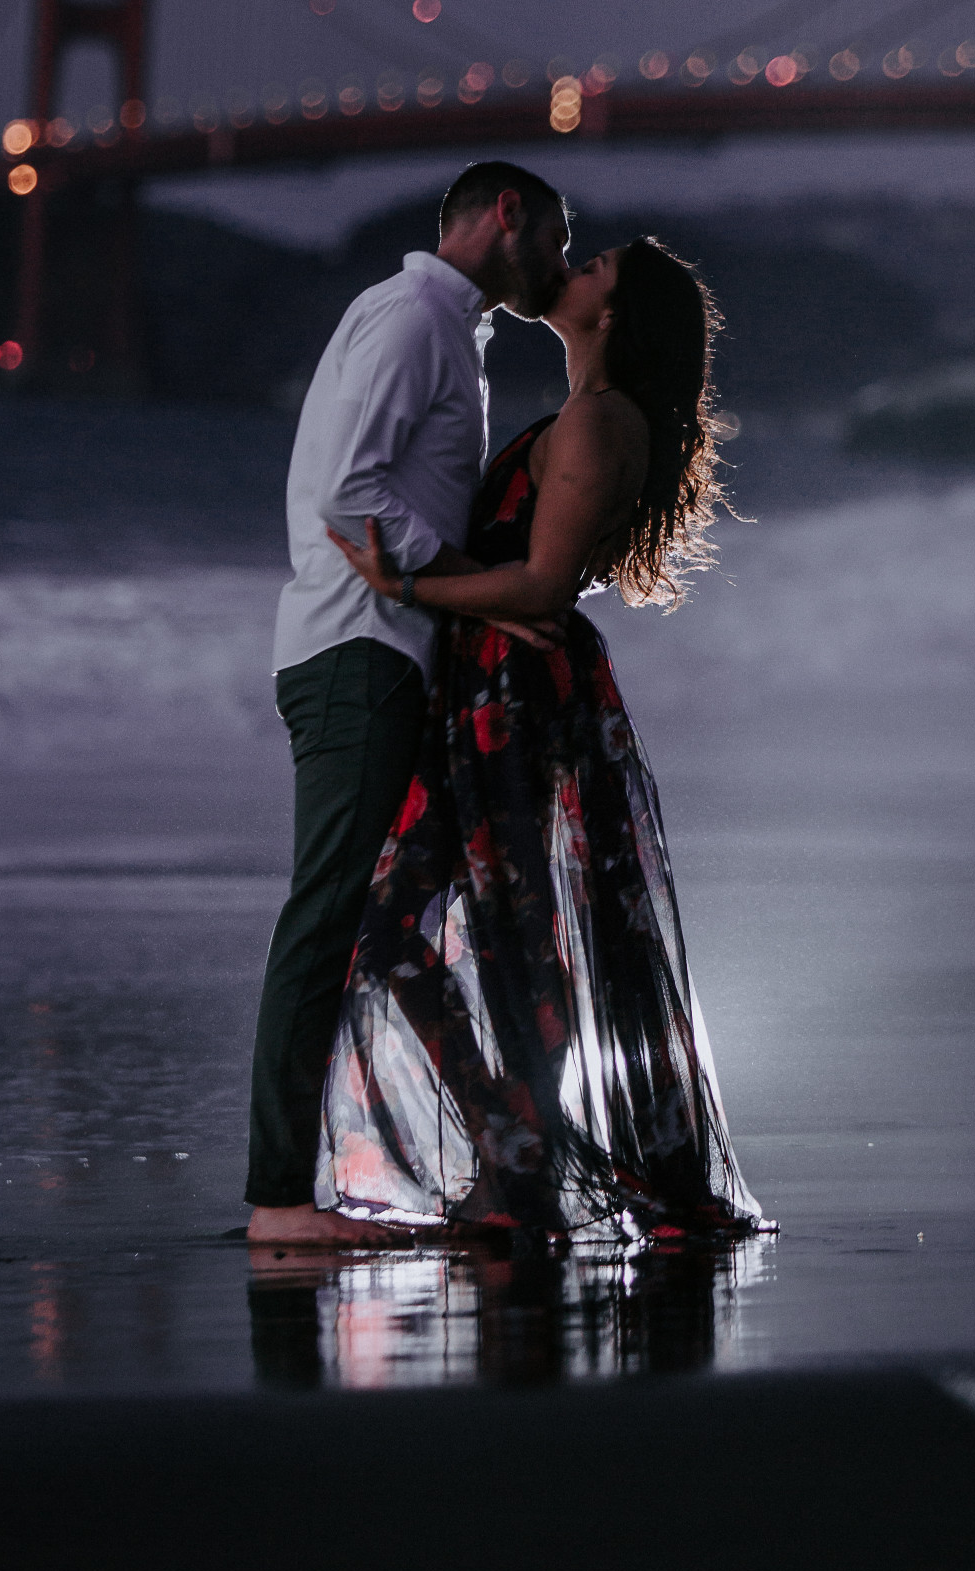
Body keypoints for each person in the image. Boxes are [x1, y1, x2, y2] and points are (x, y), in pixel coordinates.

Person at [320, 235, 767, 1241]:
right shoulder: (587, 415)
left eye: (595, 263)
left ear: (613, 311)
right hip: (492, 684)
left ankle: (516, 1160)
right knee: (468, 926)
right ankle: (513, 1153)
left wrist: (399, 582)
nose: (571, 265)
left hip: (517, 691)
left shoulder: (603, 421)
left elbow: (540, 584)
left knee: (477, 926)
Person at [244, 160, 573, 1249]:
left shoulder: (447, 328)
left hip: (380, 651)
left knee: (365, 920)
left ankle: (437, 1154)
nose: (558, 268)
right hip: (359, 650)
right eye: (555, 241)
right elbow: (347, 487)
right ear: (506, 215)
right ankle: (280, 1200)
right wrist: (455, 572)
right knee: (327, 915)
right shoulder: (410, 317)